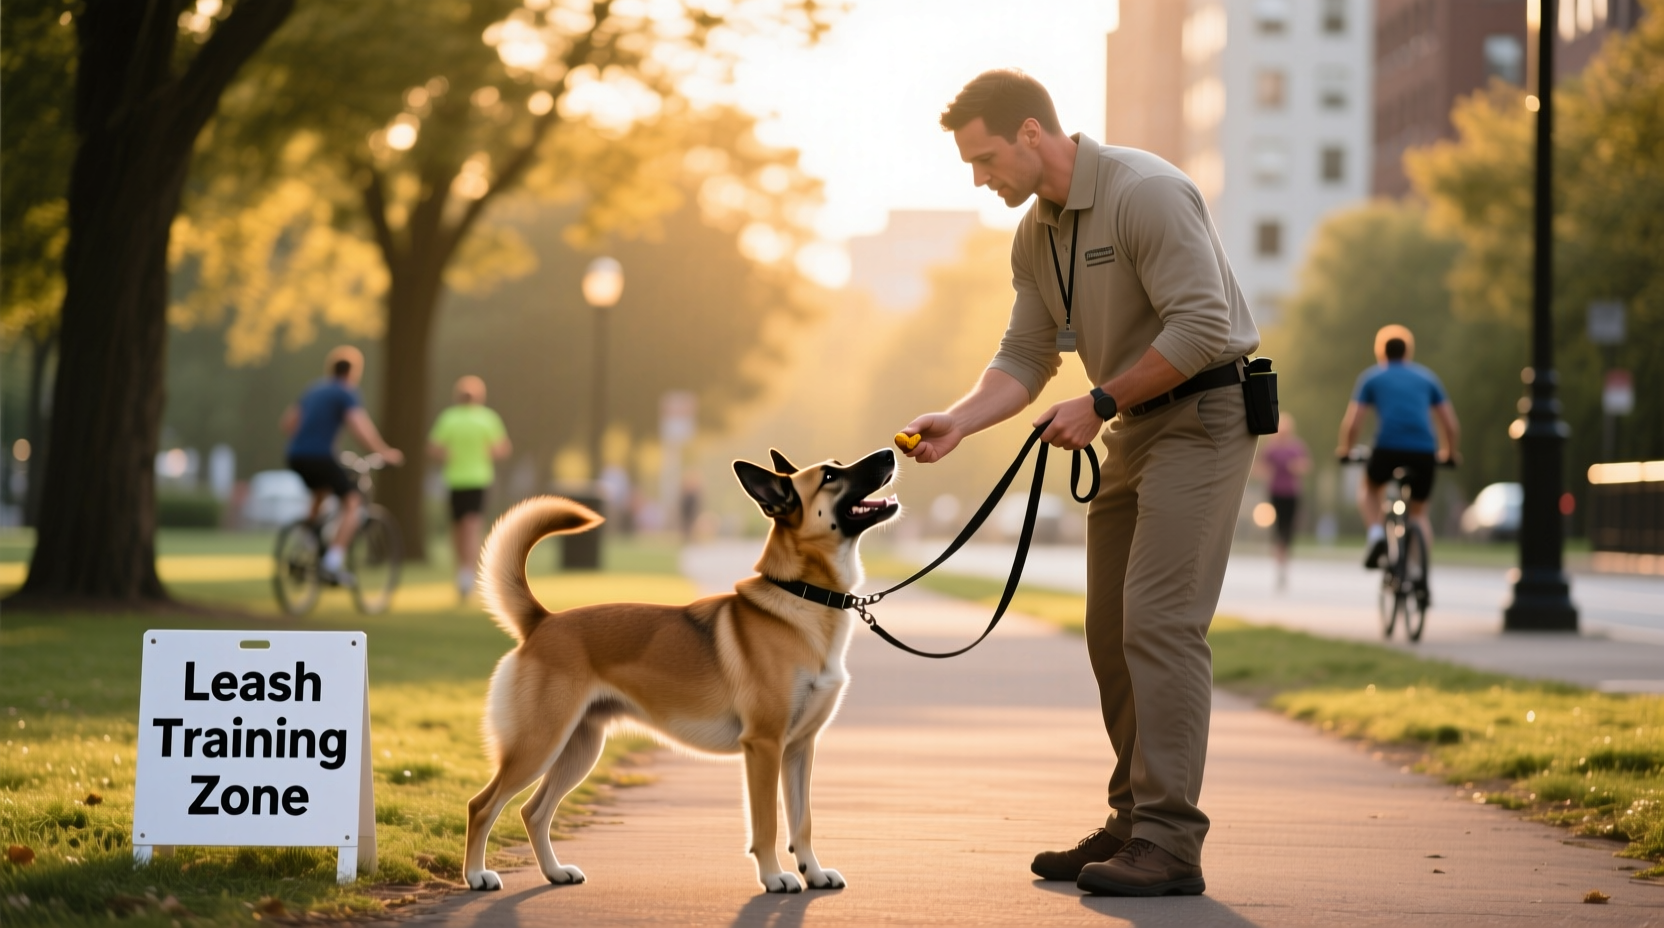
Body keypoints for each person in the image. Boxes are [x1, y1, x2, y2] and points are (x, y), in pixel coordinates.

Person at [898, 70, 1261, 897]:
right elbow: (1027, 356)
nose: (980, 179)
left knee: (1160, 623)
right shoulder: (1037, 235)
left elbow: (1203, 324)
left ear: (1032, 132)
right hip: (1133, 424)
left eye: (985, 159)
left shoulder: (1146, 192)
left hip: (1204, 417)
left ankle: (1170, 842)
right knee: (1110, 629)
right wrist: (961, 419)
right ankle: (1133, 821)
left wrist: (1098, 401)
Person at [1335, 325, 1461, 569]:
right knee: (1418, 514)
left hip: (1387, 449)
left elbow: (1353, 423)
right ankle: (1419, 575)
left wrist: (1346, 450)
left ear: (1381, 353)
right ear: (1408, 352)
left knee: (1370, 489)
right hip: (1425, 451)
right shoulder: (1428, 378)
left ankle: (1376, 535)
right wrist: (1450, 453)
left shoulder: (1372, 377)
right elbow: (1450, 425)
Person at [281, 346, 404, 585]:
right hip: (320, 456)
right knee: (353, 503)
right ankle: (332, 563)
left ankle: (305, 547)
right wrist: (384, 452)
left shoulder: (313, 390)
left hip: (296, 455)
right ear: (353, 372)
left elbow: (287, 424)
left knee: (321, 492)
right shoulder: (346, 393)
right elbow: (359, 427)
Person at [428, 375, 511, 599]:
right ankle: (467, 573)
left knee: (459, 528)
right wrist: (485, 452)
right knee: (471, 527)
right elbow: (502, 449)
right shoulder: (487, 418)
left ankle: (463, 572)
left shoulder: (449, 418)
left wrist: (450, 454)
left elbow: (434, 448)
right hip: (477, 479)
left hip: (457, 480)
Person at [1254, 413, 1310, 589]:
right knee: (1278, 529)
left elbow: (1306, 465)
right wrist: (1265, 473)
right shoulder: (1271, 448)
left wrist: (1297, 467)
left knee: (1288, 529)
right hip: (1275, 493)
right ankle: (1280, 565)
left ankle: (1284, 561)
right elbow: (1260, 467)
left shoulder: (1296, 447)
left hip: (1292, 493)